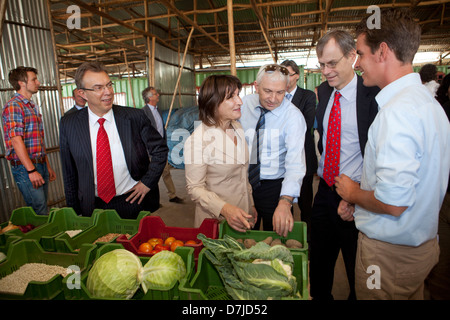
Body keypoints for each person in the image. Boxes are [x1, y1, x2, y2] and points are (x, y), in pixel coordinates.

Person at [335, 8, 450, 300]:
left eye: (360, 53)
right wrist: (362, 202)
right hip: (420, 247)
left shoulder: (396, 113)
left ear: (382, 51)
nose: (358, 63)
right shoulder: (428, 104)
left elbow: (394, 202)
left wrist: (352, 193)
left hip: (387, 258)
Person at [310, 30, 379, 301]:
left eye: (332, 63)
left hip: (357, 196)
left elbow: (378, 156)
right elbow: (324, 141)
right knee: (318, 263)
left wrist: (357, 194)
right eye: (322, 64)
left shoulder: (372, 97)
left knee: (356, 269)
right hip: (326, 192)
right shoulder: (325, 93)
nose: (326, 71)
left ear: (352, 57)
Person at [60, 62, 168, 219]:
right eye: (99, 88)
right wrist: (74, 213)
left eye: (109, 85)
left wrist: (147, 183)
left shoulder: (133, 117)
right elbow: (69, 171)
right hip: (92, 206)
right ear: (82, 93)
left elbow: (160, 150)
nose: (108, 92)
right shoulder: (69, 124)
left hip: (133, 201)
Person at [240, 64, 307, 237]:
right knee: (243, 239)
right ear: (256, 86)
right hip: (243, 184)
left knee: (276, 241)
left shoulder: (293, 117)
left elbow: (295, 164)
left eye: (280, 92)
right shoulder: (244, 105)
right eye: (267, 91)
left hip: (274, 188)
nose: (273, 98)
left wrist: (285, 202)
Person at [184, 75, 257, 232]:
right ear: (213, 102)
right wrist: (224, 209)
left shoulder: (237, 128)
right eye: (231, 97)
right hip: (216, 222)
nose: (240, 101)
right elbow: (195, 188)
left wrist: (250, 203)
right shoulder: (198, 140)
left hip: (243, 214)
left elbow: (243, 173)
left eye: (238, 94)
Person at [2, 66, 56, 215]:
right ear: (22, 83)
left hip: (39, 164)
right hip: (27, 168)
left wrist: (47, 165)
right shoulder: (14, 105)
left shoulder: (31, 106)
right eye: (34, 79)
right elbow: (16, 140)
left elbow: (38, 141)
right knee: (39, 210)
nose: (38, 82)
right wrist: (31, 170)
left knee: (42, 207)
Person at [280, 59, 317, 241]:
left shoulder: (308, 96)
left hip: (304, 158)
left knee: (305, 203)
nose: (284, 79)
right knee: (285, 201)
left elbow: (307, 123)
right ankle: (288, 237)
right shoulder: (276, 96)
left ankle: (308, 240)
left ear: (296, 76)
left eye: (287, 74)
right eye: (281, 75)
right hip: (282, 160)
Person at [141, 86, 184, 204]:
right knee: (152, 176)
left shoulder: (158, 110)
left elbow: (160, 129)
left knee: (166, 172)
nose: (158, 95)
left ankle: (172, 195)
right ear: (149, 97)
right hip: (150, 150)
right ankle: (153, 200)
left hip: (160, 148)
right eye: (155, 94)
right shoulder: (143, 112)